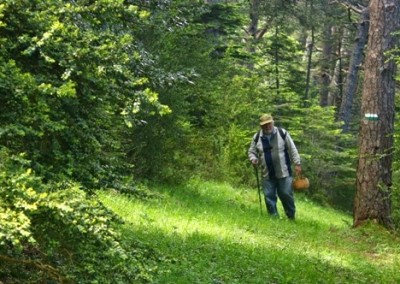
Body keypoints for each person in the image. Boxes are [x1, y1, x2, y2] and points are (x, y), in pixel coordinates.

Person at [248, 114, 302, 219]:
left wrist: (297, 164)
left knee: (286, 194)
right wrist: (253, 159)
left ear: (273, 123)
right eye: (265, 125)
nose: (267, 126)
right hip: (267, 173)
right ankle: (273, 217)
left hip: (284, 171)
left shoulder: (282, 133)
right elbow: (251, 152)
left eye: (269, 124)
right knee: (269, 196)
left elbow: (292, 149)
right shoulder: (257, 137)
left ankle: (291, 216)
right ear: (261, 126)